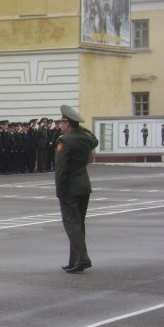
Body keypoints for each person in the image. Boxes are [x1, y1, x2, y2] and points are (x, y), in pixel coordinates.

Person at [55, 105, 98, 273]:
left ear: (67, 123)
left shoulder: (64, 140)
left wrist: (60, 190)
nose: (60, 125)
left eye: (61, 122)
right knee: (79, 225)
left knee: (72, 225)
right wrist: (80, 127)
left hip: (70, 189)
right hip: (84, 186)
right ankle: (74, 260)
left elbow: (61, 169)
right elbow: (94, 139)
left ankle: (82, 259)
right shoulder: (84, 139)